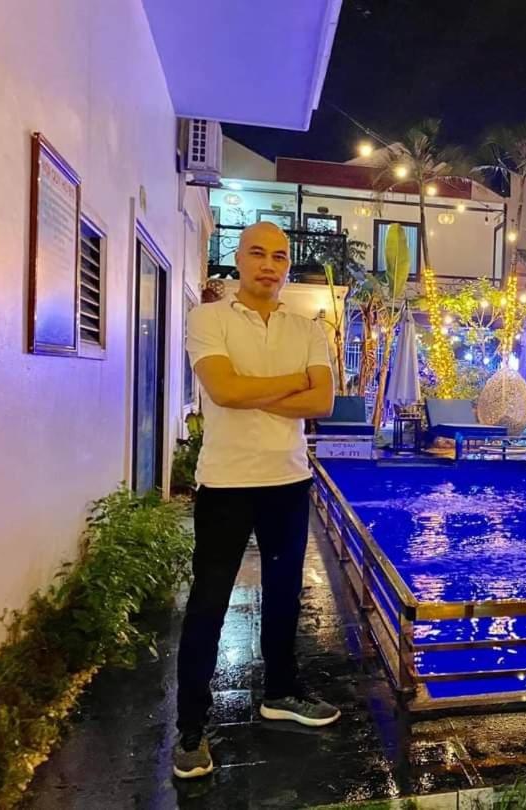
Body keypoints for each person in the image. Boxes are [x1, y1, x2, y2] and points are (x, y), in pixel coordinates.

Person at [173, 222, 339, 780]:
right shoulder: (209, 318)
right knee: (208, 603)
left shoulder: (307, 327)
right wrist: (291, 383)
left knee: (285, 595)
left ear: (287, 265)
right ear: (239, 259)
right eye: (258, 253)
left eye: (280, 256)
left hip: (288, 481)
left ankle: (281, 691)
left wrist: (252, 391)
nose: (269, 264)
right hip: (225, 483)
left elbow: (322, 401)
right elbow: (223, 390)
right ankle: (190, 726)